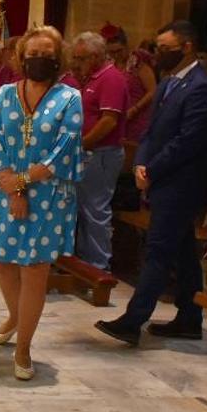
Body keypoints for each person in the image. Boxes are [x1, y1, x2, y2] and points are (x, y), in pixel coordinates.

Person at [95, 21, 207, 346]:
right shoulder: (167, 84)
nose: (159, 53)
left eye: (166, 48)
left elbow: (188, 141)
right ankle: (190, 318)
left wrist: (152, 170)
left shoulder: (202, 88)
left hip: (183, 184)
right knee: (182, 251)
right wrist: (140, 162)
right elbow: (152, 131)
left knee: (158, 250)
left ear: (187, 47)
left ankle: (133, 320)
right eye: (158, 47)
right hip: (162, 177)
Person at [0, 26, 83, 380]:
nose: (39, 60)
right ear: (22, 58)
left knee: (34, 270)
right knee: (2, 262)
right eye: (32, 54)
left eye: (46, 54)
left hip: (49, 195)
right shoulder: (6, 94)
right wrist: (13, 186)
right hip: (8, 187)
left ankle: (24, 348)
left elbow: (65, 149)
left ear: (58, 58)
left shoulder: (69, 98)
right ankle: (16, 316)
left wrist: (25, 182)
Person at [62, 31, 128, 271]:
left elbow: (109, 121)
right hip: (89, 152)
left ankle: (99, 268)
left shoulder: (111, 78)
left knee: (95, 212)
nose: (77, 64)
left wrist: (81, 145)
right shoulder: (92, 78)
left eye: (81, 58)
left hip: (101, 154)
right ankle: (82, 264)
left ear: (98, 55)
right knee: (81, 210)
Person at [103, 23, 157, 143]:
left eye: (119, 51)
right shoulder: (109, 63)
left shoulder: (138, 62)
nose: (116, 55)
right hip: (117, 119)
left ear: (126, 46)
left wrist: (134, 109)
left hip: (138, 117)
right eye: (112, 52)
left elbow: (152, 90)